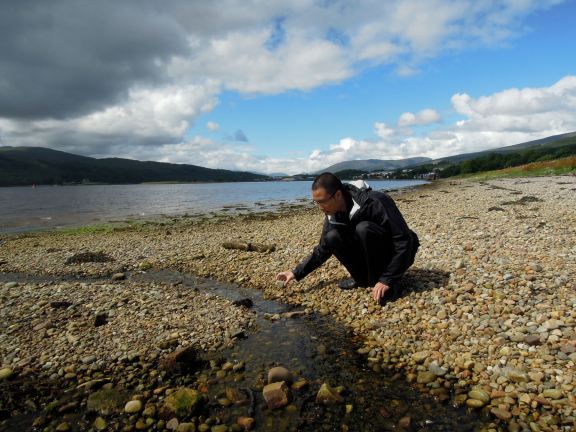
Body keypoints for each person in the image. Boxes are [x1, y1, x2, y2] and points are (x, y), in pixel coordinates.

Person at [276, 172, 419, 304]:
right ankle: (362, 280)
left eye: (322, 201)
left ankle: (389, 283)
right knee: (332, 237)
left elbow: (404, 240)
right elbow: (323, 248)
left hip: (395, 256)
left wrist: (387, 279)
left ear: (338, 195)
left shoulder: (375, 202)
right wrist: (295, 272)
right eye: (316, 202)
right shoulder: (332, 212)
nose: (319, 207)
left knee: (364, 229)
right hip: (370, 257)